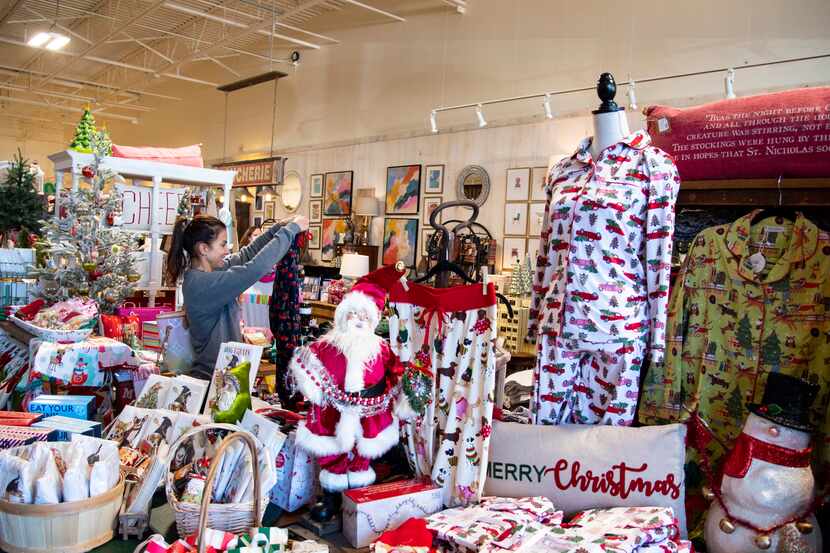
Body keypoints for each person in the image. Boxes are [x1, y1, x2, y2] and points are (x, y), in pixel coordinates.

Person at [165, 213, 308, 379]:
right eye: (223, 245)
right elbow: (253, 269)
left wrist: (279, 227)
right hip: (212, 382)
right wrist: (291, 230)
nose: (227, 250)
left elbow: (247, 255)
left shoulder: (211, 271)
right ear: (204, 249)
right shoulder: (202, 284)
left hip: (225, 377)